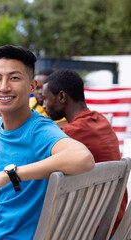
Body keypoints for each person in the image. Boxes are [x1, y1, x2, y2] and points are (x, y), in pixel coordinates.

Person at [0, 45, 94, 240]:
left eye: (14, 78)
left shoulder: (39, 130)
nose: (3, 86)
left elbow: (83, 158)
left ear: (32, 86)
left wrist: (8, 176)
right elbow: (16, 161)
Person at [42, 69, 127, 235]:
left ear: (61, 97)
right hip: (114, 222)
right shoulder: (99, 120)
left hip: (88, 228)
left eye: (46, 98)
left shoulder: (70, 134)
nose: (43, 105)